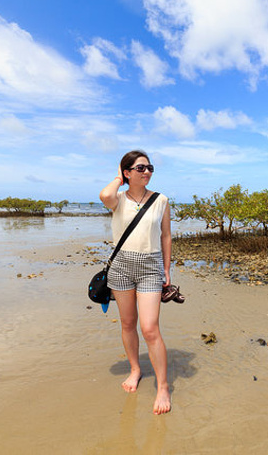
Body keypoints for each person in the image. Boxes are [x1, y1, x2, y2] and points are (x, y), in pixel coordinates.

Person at [99, 150, 172, 415]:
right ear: (128, 172)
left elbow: (166, 236)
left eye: (150, 167)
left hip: (150, 267)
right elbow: (104, 195)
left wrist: (166, 269)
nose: (147, 172)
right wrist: (119, 178)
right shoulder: (118, 199)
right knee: (128, 323)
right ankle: (135, 369)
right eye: (140, 168)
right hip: (121, 267)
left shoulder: (161, 200)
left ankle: (163, 386)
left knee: (150, 328)